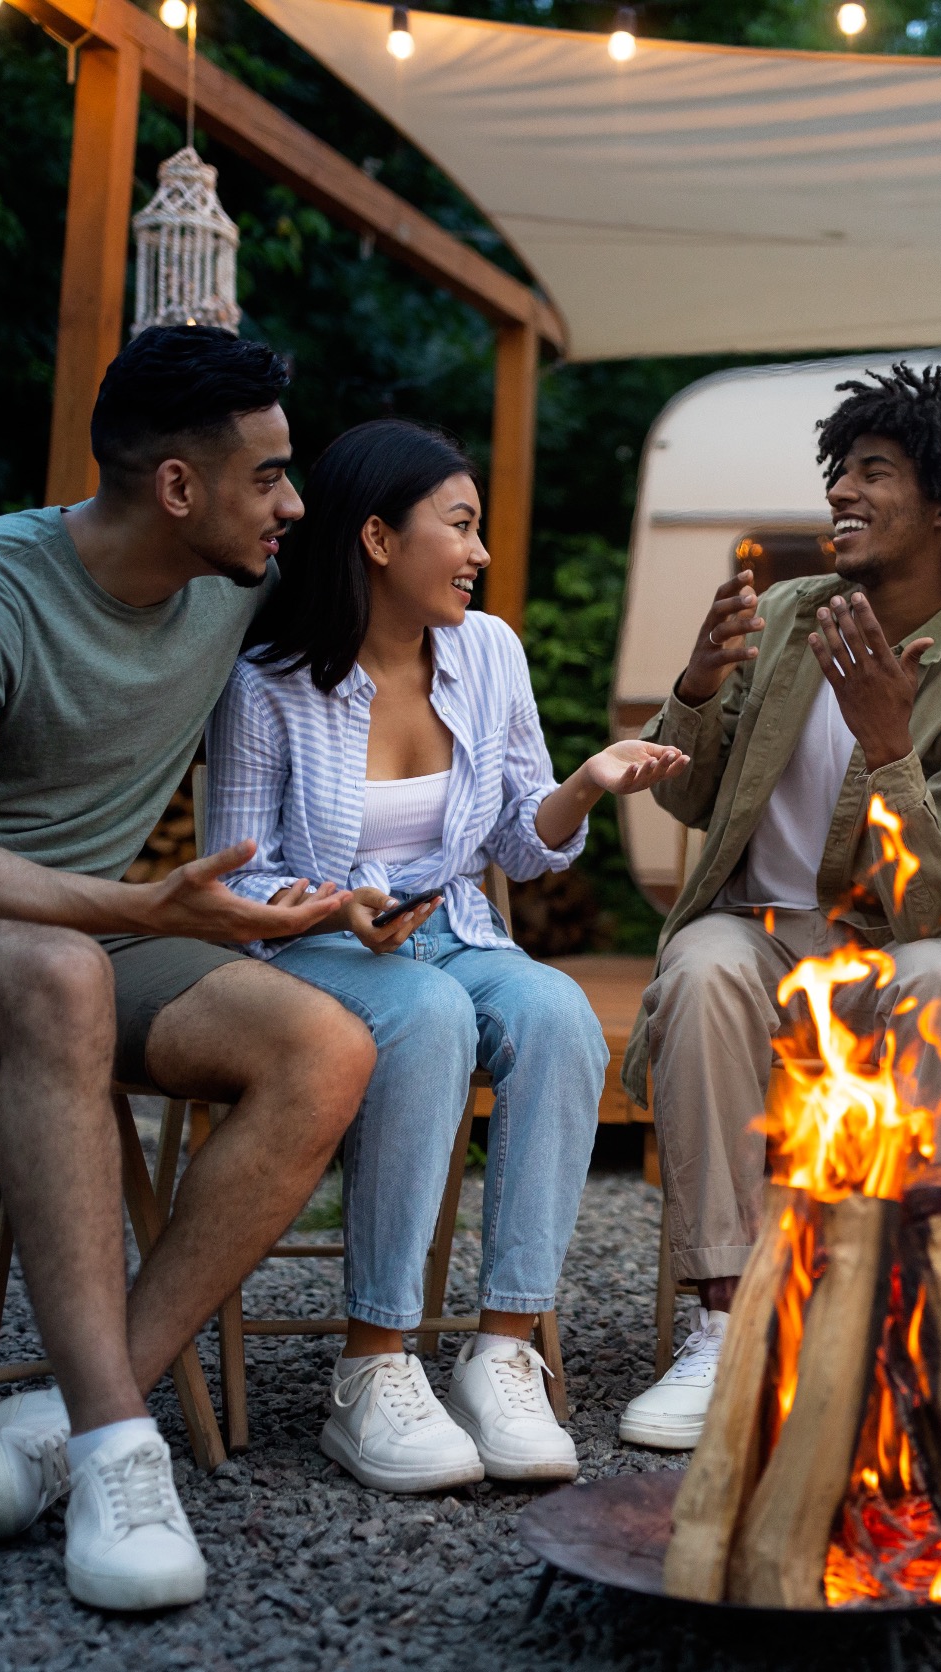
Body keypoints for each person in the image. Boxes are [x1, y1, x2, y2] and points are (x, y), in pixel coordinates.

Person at [0, 326, 376, 1610]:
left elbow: (418, 600)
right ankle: (116, 1453)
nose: (293, 505)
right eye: (268, 476)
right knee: (61, 976)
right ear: (175, 487)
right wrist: (140, 904)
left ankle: (67, 1416)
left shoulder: (242, 579)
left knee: (323, 1045)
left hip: (86, 939)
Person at [205, 419, 685, 1493]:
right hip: (318, 953)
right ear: (377, 536)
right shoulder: (270, 683)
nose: (476, 553)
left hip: (457, 932)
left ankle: (503, 1349)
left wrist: (588, 783)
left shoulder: (489, 651)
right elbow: (232, 881)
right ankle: (374, 1363)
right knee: (426, 1017)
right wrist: (334, 908)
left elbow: (520, 841)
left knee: (556, 1011)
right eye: (458, 526)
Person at [616, 363, 941, 1450]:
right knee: (705, 960)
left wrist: (892, 747)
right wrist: (700, 686)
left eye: (873, 472)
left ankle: (917, 1329)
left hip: (890, 954)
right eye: (839, 471)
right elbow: (687, 792)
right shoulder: (791, 615)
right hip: (759, 943)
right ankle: (726, 1329)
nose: (839, 494)